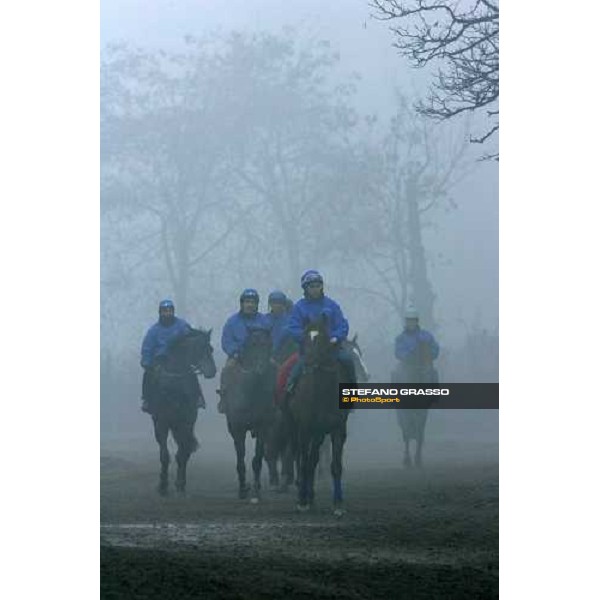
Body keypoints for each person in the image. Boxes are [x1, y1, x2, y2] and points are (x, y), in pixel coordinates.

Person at [285, 270, 357, 394]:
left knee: (347, 360)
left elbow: (342, 324)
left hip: (332, 349)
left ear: (322, 287)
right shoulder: (299, 307)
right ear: (305, 288)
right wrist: (306, 338)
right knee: (296, 368)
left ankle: (352, 393)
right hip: (309, 351)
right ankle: (288, 391)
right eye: (311, 286)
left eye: (318, 286)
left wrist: (335, 337)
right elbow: (293, 327)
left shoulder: (332, 305)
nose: (315, 289)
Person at [217, 288, 271, 413]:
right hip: (239, 357)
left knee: (276, 368)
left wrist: (267, 352)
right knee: (227, 369)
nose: (250, 305)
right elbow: (226, 341)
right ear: (242, 304)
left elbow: (270, 339)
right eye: (247, 302)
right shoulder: (232, 322)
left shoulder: (264, 320)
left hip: (260, 357)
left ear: (257, 304)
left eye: (253, 302)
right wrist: (235, 352)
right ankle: (224, 397)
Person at [140, 299, 192, 413]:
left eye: (170, 311)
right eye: (165, 311)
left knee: (191, 374)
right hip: (160, 361)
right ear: (160, 313)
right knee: (148, 375)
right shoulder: (154, 331)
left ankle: (198, 397)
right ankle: (147, 400)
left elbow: (190, 340)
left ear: (173, 312)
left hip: (180, 360)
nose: (167, 313)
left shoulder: (182, 326)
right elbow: (147, 348)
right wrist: (147, 362)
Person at [394, 306, 440, 383]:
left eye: (413, 321)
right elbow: (398, 352)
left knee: (430, 374)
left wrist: (430, 354)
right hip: (408, 367)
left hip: (425, 367)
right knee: (401, 375)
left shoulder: (426, 335)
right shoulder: (401, 338)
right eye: (409, 321)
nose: (411, 323)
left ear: (417, 321)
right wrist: (409, 355)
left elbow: (435, 348)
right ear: (406, 322)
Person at [265, 290, 297, 365]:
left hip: (284, 357)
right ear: (270, 304)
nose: (277, 305)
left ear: (284, 304)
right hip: (266, 357)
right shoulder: (263, 320)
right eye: (274, 302)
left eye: (280, 302)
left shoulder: (291, 321)